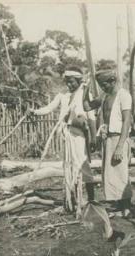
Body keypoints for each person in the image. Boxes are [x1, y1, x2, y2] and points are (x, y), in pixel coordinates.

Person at [29, 66, 96, 214]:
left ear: (79, 81)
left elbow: (90, 117)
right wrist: (34, 112)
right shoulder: (63, 96)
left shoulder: (85, 95)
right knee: (68, 166)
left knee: (82, 166)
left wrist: (93, 137)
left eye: (72, 82)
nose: (69, 85)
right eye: (67, 82)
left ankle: (91, 201)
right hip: (66, 135)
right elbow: (49, 108)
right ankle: (71, 201)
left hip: (79, 136)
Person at [83, 69, 132, 217]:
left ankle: (127, 208)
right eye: (100, 85)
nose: (102, 88)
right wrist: (85, 89)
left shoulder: (124, 95)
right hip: (108, 138)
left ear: (112, 81)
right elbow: (87, 106)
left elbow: (126, 121)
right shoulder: (105, 96)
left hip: (119, 138)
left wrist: (120, 146)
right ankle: (118, 206)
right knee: (111, 174)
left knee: (121, 172)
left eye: (104, 84)